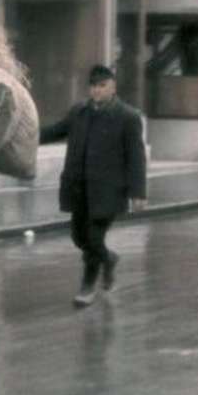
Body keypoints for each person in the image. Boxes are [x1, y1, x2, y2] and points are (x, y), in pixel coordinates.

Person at [39, 65, 147, 308]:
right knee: (78, 236)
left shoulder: (128, 117)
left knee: (94, 238)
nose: (96, 91)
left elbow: (136, 157)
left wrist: (138, 192)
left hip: (107, 192)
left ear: (113, 87)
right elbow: (56, 131)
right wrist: (28, 135)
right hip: (79, 188)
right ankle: (109, 260)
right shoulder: (80, 111)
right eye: (93, 86)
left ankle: (87, 286)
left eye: (102, 86)